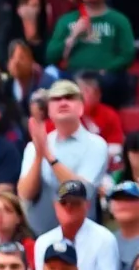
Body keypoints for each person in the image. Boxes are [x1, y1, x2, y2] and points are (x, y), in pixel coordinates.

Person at [19, 79, 110, 235]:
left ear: (81, 107)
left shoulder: (96, 144)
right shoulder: (35, 145)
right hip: (41, 236)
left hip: (82, 236)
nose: (63, 102)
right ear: (49, 110)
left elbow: (81, 192)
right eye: (56, 99)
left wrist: (49, 156)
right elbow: (25, 194)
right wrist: (39, 156)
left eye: (69, 97)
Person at [34, 181, 119, 270]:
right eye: (63, 203)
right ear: (55, 206)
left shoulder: (105, 238)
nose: (69, 207)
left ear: (87, 206)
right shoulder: (43, 242)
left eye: (75, 203)